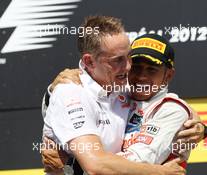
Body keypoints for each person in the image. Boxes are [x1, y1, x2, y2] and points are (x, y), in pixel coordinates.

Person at [42, 15, 187, 175]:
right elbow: (96, 166)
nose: (128, 68)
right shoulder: (71, 92)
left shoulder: (122, 87)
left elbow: (173, 107)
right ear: (89, 62)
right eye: (118, 60)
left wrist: (196, 122)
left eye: (129, 57)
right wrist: (159, 172)